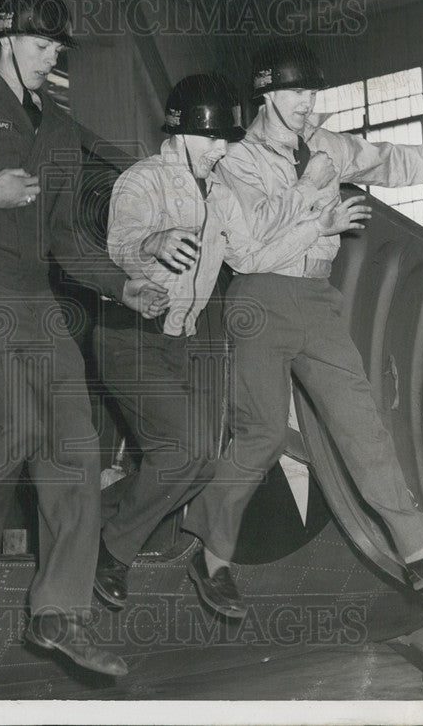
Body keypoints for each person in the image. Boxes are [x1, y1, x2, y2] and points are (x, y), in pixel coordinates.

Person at [181, 40, 423, 616]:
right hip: (260, 297)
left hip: (317, 296)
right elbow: (250, 246)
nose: (308, 103)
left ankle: (420, 547)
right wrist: (315, 199)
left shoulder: (325, 146)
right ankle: (212, 556)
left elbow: (388, 158)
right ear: (265, 91)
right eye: (296, 92)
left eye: (312, 92)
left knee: (364, 425)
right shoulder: (236, 158)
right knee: (258, 438)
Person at [0, 0, 166, 677]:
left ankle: (60, 612)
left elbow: (68, 237)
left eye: (57, 48)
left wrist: (124, 281)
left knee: (76, 442)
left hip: (35, 292)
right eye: (41, 45)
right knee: (16, 423)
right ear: (5, 37)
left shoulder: (60, 129)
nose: (50, 57)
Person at [94, 73, 367, 610]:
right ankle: (109, 550)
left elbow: (250, 259)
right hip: (132, 334)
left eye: (226, 142)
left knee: (202, 460)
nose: (220, 151)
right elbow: (120, 246)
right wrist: (155, 240)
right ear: (178, 132)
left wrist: (320, 226)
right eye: (212, 140)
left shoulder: (220, 191)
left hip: (184, 339)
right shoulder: (141, 181)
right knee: (186, 453)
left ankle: (105, 522)